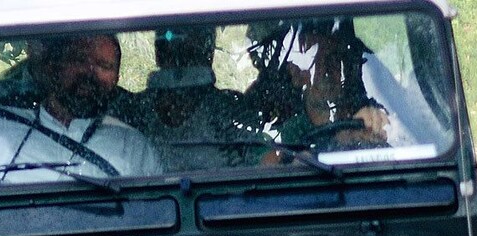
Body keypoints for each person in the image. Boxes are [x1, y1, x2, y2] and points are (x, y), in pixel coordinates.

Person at [0, 34, 161, 186]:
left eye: (104, 66)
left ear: (116, 79)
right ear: (54, 67)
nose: (90, 72)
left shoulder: (134, 147)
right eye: (79, 59)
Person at [118, 27, 265, 172]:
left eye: (193, 50)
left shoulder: (227, 112)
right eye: (173, 48)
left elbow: (268, 161)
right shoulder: (133, 113)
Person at [247, 19, 389, 158]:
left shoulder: (363, 113)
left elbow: (400, 139)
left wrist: (375, 124)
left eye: (334, 60)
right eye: (314, 60)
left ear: (345, 69)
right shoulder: (293, 130)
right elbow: (276, 166)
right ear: (297, 74)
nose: (325, 70)